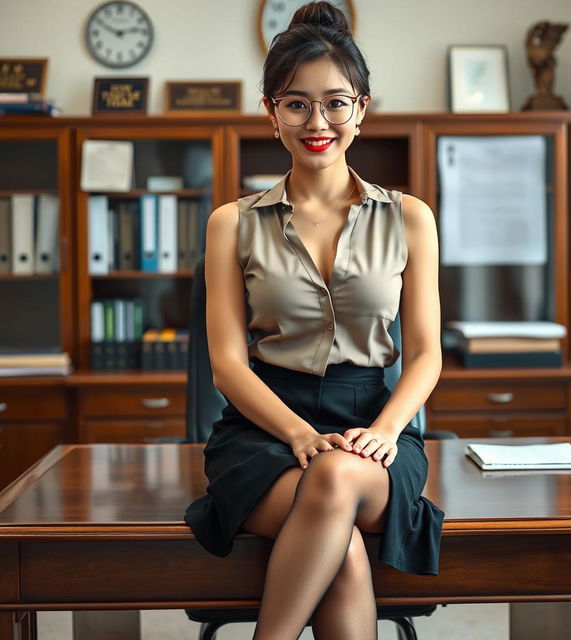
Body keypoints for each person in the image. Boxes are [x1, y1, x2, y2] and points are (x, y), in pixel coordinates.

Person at [184, 2, 445, 638]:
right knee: (344, 550)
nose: (317, 121)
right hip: (262, 432)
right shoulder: (232, 223)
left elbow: (427, 353)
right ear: (271, 112)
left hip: (375, 435)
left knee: (335, 479)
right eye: (296, 103)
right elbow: (226, 363)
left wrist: (385, 431)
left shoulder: (410, 217)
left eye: (335, 102)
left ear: (362, 106)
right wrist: (299, 434)